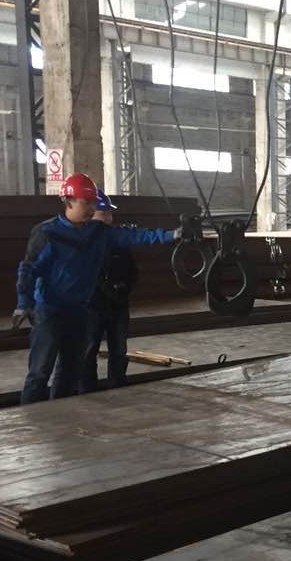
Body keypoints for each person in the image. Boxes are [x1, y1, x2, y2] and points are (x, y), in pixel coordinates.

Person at [13, 173, 181, 404]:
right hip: (49, 312)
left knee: (69, 370)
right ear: (69, 201)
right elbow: (29, 269)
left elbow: (134, 235)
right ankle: (30, 415)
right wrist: (23, 303)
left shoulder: (97, 232)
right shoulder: (47, 233)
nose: (92, 209)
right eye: (86, 203)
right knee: (40, 372)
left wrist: (172, 234)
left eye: (93, 203)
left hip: (79, 312)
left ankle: (59, 414)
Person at [80, 189, 137, 393]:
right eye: (103, 213)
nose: (108, 217)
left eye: (109, 213)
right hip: (93, 306)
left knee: (119, 350)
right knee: (88, 350)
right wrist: (105, 289)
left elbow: (132, 270)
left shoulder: (118, 240)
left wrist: (123, 290)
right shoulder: (83, 241)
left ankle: (118, 386)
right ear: (91, 214)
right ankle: (87, 390)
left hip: (118, 305)